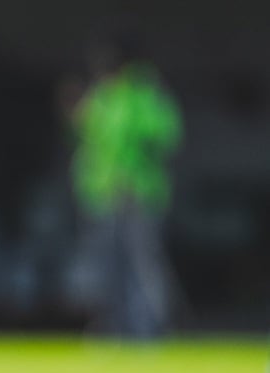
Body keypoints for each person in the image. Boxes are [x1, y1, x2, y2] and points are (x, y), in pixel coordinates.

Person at [69, 32, 183, 338]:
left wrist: (132, 161)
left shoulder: (143, 94)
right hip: (104, 195)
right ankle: (112, 328)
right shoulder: (101, 98)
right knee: (106, 266)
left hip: (139, 193)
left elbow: (166, 132)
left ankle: (149, 329)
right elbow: (91, 143)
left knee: (144, 264)